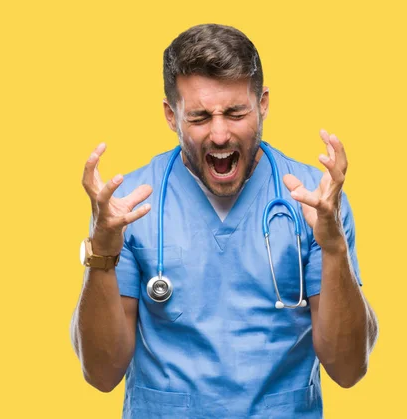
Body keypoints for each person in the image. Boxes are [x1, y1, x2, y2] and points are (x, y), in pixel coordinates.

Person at [70, 24, 378, 418]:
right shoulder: (128, 206)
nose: (219, 134)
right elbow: (101, 374)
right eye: (199, 117)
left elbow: (349, 369)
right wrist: (102, 255)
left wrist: (334, 249)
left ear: (262, 103)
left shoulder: (315, 204)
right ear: (170, 114)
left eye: (235, 112)